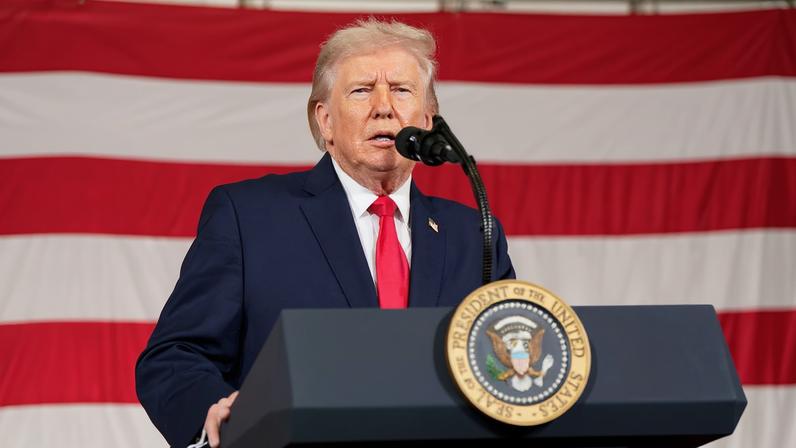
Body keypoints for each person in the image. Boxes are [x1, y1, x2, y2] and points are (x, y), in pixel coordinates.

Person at [136, 19, 515, 448]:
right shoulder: (249, 217)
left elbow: (510, 372)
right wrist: (215, 411)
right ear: (325, 119)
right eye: (362, 90)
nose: (384, 107)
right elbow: (174, 358)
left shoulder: (473, 234)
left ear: (427, 120)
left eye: (402, 90)